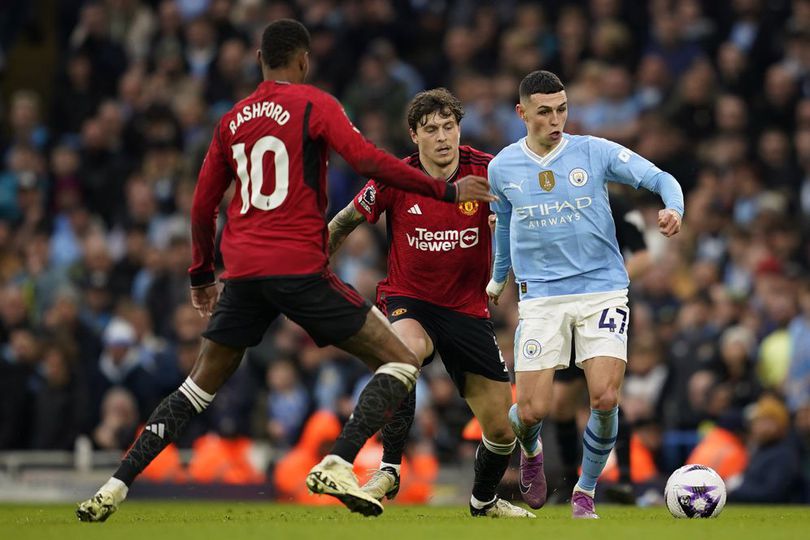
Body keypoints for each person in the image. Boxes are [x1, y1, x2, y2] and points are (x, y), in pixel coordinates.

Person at [76, 19, 494, 522]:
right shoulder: (314, 104)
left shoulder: (231, 119)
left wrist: (201, 275)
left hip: (244, 273)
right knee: (402, 360)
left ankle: (115, 486)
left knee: (196, 387)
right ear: (303, 61)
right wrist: (445, 190)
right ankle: (338, 460)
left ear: (259, 60)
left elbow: (203, 204)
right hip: (297, 267)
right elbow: (365, 159)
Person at [327, 88, 533, 518]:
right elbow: (345, 220)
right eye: (430, 129)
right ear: (414, 136)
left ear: (459, 129)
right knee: (404, 354)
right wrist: (309, 264)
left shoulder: (489, 171)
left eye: (449, 126)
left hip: (467, 310)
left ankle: (484, 502)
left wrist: (509, 221)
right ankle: (389, 468)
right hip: (410, 300)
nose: (442, 137)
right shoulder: (395, 177)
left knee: (501, 431)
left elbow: (527, 216)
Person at [486, 70, 683, 519]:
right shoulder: (502, 168)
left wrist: (674, 207)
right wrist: (498, 280)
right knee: (532, 410)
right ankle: (530, 450)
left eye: (562, 109)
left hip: (602, 291)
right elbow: (503, 230)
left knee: (605, 397)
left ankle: (585, 491)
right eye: (544, 112)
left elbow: (660, 177)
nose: (556, 119)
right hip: (541, 299)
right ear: (522, 113)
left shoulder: (593, 152)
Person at [551, 192, 652, 504]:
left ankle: (624, 481)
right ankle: (569, 481)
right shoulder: (555, 204)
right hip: (565, 308)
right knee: (561, 402)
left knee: (607, 393)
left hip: (607, 306)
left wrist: (608, 283)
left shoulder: (616, 205)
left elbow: (643, 258)